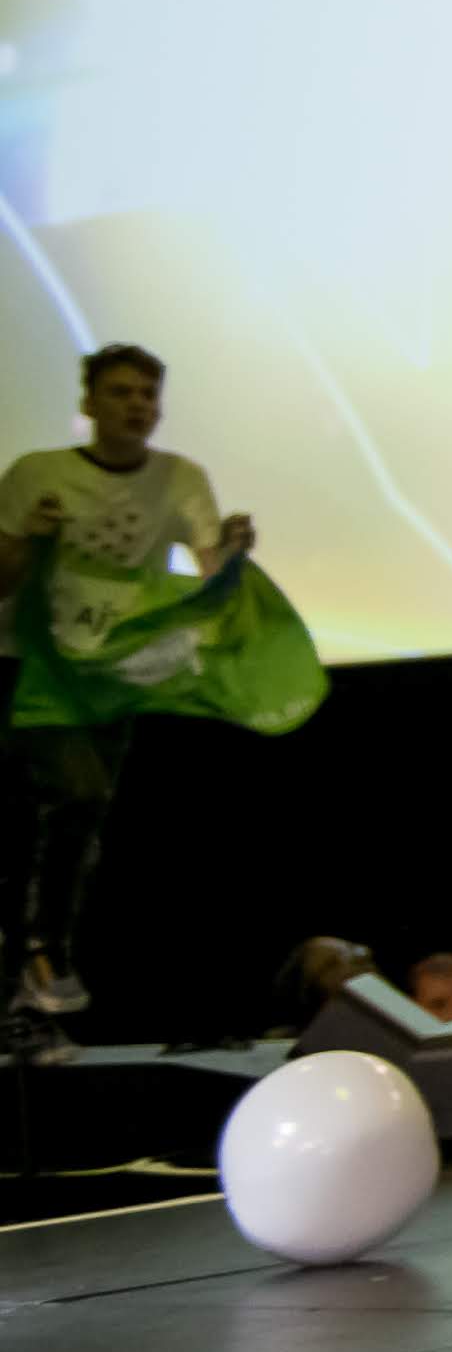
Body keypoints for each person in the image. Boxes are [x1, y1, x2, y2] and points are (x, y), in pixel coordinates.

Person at [0, 345, 254, 1026]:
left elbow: (211, 578)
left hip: (109, 674)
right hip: (31, 668)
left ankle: (38, 964)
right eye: (119, 392)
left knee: (81, 818)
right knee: (73, 792)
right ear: (88, 404)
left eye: (147, 394)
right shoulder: (37, 473)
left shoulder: (180, 479)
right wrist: (28, 538)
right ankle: (39, 948)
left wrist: (233, 553)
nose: (137, 406)